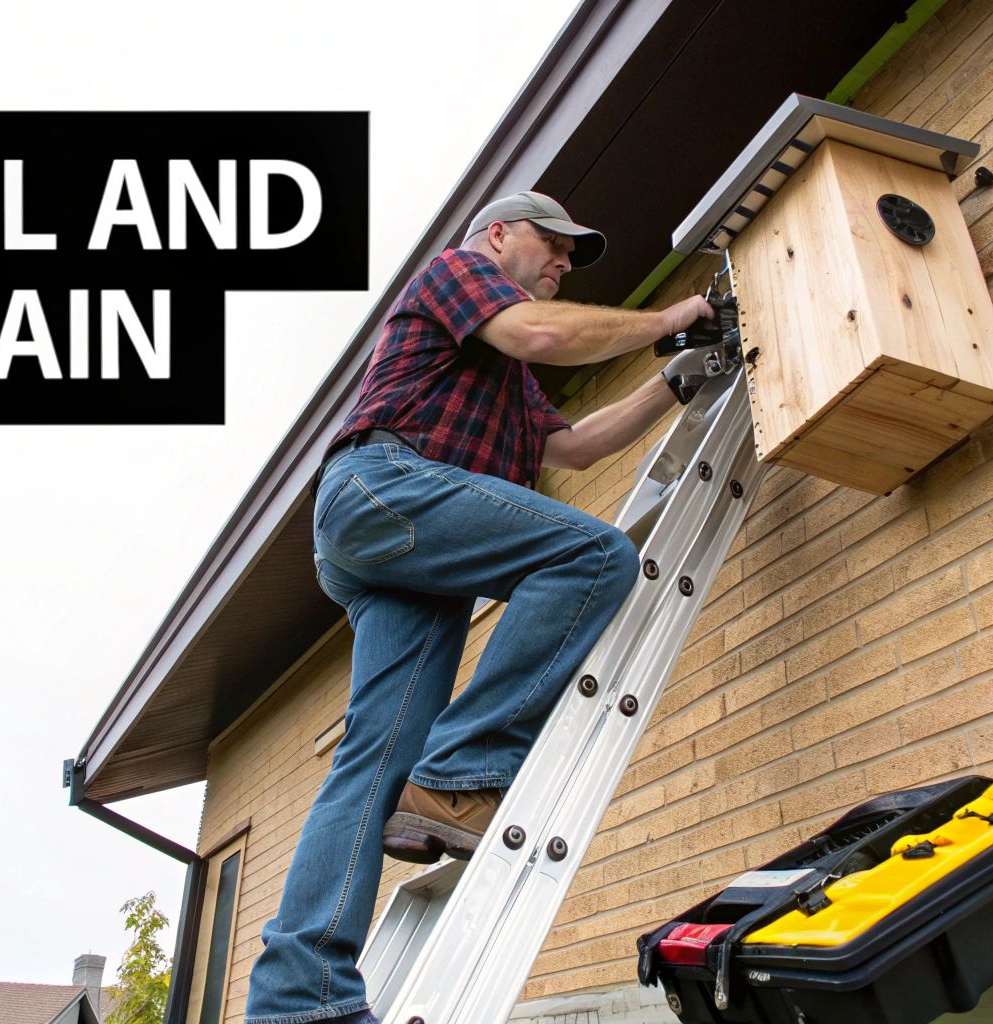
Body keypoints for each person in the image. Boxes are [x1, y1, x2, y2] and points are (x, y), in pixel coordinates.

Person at [245, 191, 717, 1024]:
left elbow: (572, 446)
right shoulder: (459, 272)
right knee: (593, 554)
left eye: (573, 256)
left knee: (375, 758)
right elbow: (540, 331)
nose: (564, 264)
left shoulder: (506, 377)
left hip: (400, 549)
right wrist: (673, 315)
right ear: (498, 236)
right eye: (555, 245)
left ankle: (299, 1001)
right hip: (383, 488)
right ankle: (464, 769)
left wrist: (676, 380)